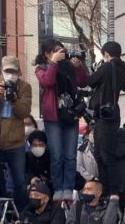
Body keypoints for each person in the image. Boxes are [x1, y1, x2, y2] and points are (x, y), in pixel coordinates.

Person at [35, 39, 88, 202]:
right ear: (46, 54)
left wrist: (78, 66)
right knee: (57, 155)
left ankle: (69, 187)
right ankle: (58, 188)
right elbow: (48, 82)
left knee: (70, 156)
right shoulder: (41, 68)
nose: (60, 54)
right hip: (53, 117)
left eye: (61, 51)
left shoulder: (69, 67)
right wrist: (53, 63)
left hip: (70, 115)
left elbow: (83, 82)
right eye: (55, 51)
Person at [0, 56, 33, 210]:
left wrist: (14, 99)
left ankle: (21, 214)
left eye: (14, 72)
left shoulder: (24, 87)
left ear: (19, 72)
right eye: (7, 71)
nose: (10, 75)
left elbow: (24, 112)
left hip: (15, 143)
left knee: (19, 181)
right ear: (2, 71)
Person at [87, 41, 125, 194]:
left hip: (103, 115)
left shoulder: (106, 67)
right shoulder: (124, 70)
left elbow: (90, 81)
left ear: (106, 54)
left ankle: (110, 193)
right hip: (113, 114)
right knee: (105, 155)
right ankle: (109, 191)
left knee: (103, 156)